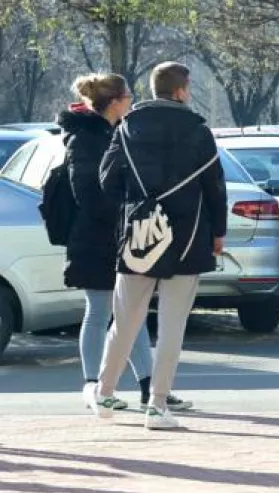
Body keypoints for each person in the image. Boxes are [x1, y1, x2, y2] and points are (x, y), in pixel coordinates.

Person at [85, 62, 227, 430]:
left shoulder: (128, 126)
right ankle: (158, 404)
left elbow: (107, 180)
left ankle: (104, 392)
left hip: (139, 237)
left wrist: (134, 206)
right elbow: (215, 187)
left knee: (125, 320)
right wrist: (218, 232)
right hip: (188, 236)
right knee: (172, 325)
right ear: (181, 90)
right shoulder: (198, 130)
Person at [59, 74, 190, 413]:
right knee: (102, 310)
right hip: (94, 239)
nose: (132, 100)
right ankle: (95, 386)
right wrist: (123, 211)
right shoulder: (85, 138)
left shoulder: (115, 132)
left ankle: (148, 386)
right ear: (115, 100)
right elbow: (89, 193)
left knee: (128, 313)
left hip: (118, 237)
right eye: (128, 95)